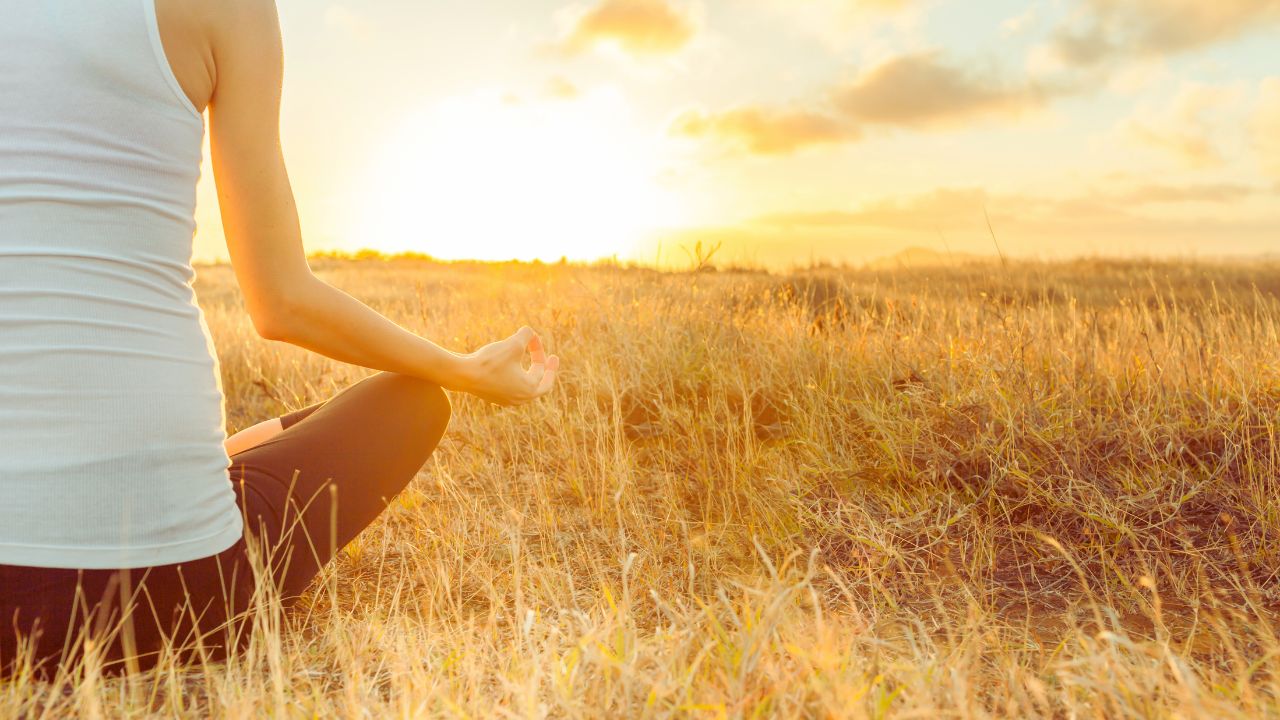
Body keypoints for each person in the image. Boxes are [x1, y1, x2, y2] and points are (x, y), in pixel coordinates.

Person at [0, 0, 560, 676]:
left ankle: (214, 461)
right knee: (410, 402)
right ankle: (208, 468)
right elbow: (283, 302)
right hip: (184, 597)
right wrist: (464, 369)